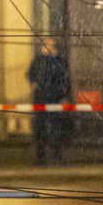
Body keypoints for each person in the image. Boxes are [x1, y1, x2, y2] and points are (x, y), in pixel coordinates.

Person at [26, 37, 71, 165]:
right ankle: (41, 157)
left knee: (54, 128)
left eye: (51, 44)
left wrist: (63, 94)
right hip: (41, 99)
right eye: (47, 44)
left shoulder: (57, 60)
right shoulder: (39, 60)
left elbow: (65, 79)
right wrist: (35, 84)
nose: (49, 46)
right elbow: (31, 75)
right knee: (40, 127)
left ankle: (55, 155)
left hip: (53, 99)